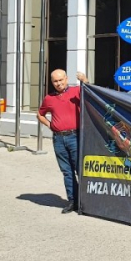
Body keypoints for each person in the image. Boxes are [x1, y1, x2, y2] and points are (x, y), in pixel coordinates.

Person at [37, 69, 89, 214]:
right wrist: (51, 125)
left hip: (75, 136)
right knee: (67, 171)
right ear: (52, 82)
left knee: (80, 170)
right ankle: (72, 201)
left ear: (66, 79)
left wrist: (84, 80)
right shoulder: (49, 98)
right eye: (55, 81)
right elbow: (40, 114)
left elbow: (91, 94)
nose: (59, 83)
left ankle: (85, 202)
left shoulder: (76, 91)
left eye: (61, 80)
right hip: (58, 139)